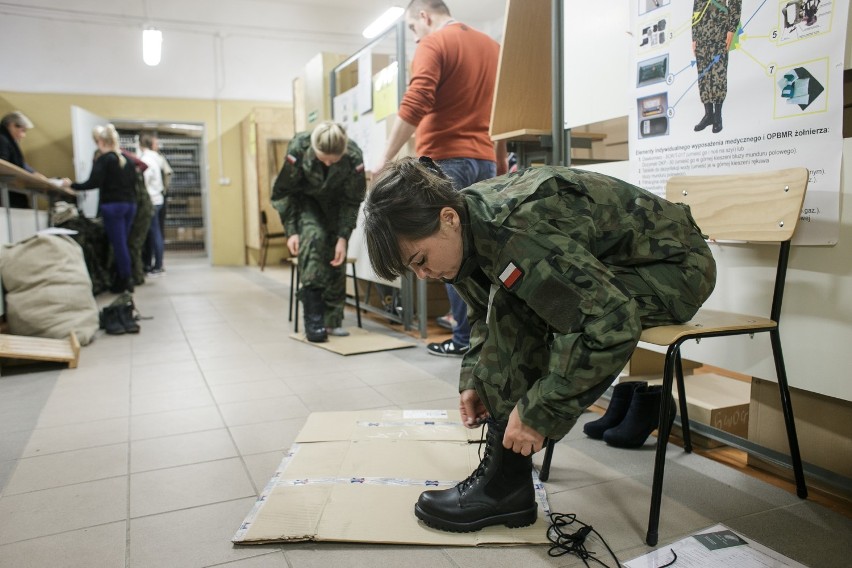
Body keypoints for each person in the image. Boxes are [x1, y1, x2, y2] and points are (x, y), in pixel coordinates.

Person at [362, 157, 717, 532]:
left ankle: (505, 486)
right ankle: (506, 481)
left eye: (420, 260)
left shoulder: (515, 231)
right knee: (518, 296)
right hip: (627, 264)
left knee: (527, 305)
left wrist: (539, 413)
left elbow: (610, 322)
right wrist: (473, 379)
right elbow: (484, 309)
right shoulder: (466, 225)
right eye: (412, 269)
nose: (424, 275)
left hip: (678, 267)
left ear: (448, 218)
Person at [375, 0, 507, 358]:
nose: (416, 37)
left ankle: (465, 339)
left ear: (424, 16)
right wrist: (499, 164)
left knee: (447, 252)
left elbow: (417, 101)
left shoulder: (434, 43)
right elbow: (500, 112)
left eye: (413, 30)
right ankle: (490, 340)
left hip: (447, 159)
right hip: (484, 159)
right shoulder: (492, 47)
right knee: (483, 253)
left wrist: (384, 161)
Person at [271, 121, 366, 343]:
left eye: (334, 160)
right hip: (307, 204)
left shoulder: (353, 157)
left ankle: (332, 321)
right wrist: (292, 230)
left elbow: (352, 202)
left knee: (336, 254)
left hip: (337, 207)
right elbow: (283, 192)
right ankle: (314, 318)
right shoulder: (299, 149)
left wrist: (343, 237)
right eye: (323, 158)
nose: (328, 162)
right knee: (314, 243)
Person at [62, 124, 138, 293]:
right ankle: (124, 277)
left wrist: (71, 185)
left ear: (101, 141)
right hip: (129, 205)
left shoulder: (105, 159)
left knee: (119, 245)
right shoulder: (127, 160)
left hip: (113, 206)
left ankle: (125, 280)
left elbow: (93, 182)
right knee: (123, 244)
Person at [692, 0, 741, 133]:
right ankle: (708, 115)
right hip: (702, 36)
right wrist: (694, 36)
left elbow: (735, 3)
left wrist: (732, 28)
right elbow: (696, 8)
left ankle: (718, 117)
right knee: (704, 76)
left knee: (718, 74)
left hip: (720, 32)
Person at [0, 111, 50, 208]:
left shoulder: (8, 140)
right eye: (23, 131)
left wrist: (34, 173)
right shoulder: (3, 140)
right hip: (7, 189)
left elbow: (19, 163)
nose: (23, 135)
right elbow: (4, 164)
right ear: (12, 125)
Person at [138, 133, 166, 275]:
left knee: (154, 233)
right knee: (154, 233)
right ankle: (153, 264)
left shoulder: (146, 160)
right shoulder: (156, 159)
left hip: (152, 200)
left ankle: (158, 266)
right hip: (158, 199)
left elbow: (144, 181)